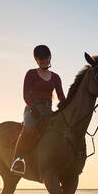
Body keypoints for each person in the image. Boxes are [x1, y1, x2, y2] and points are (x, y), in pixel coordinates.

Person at [11, 45, 66, 175]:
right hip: (32, 109)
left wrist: (65, 104)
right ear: (36, 60)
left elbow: (61, 96)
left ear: (50, 58)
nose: (43, 62)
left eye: (46, 59)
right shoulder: (31, 73)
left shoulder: (56, 77)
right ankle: (17, 161)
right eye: (40, 60)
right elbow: (25, 95)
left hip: (48, 109)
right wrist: (33, 108)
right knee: (28, 129)